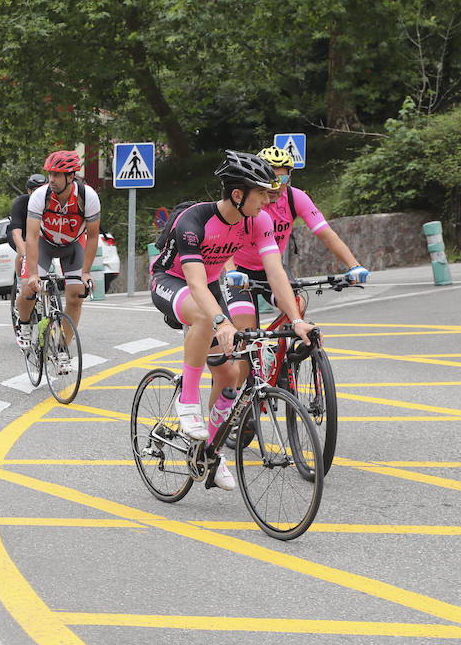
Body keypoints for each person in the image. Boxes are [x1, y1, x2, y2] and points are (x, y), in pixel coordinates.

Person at [149, 150, 315, 490]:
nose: (269, 200)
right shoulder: (194, 221)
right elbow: (195, 284)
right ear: (238, 195)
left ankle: (209, 453)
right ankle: (188, 401)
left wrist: (297, 319)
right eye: (262, 193)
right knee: (205, 317)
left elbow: (276, 273)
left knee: (228, 378)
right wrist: (222, 322)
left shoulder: (259, 221)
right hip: (171, 280)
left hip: (209, 285)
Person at [225, 145, 369, 351]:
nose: (275, 185)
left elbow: (326, 235)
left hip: (273, 268)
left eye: (282, 179)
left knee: (297, 304)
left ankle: (279, 354)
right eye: (270, 178)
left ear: (289, 179)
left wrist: (354, 265)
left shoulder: (295, 198)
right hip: (240, 271)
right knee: (245, 334)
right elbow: (225, 240)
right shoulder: (249, 202)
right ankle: (249, 361)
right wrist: (231, 272)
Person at [15, 151, 100, 351]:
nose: (51, 179)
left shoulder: (88, 197)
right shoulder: (39, 196)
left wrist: (86, 273)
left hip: (73, 245)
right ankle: (24, 323)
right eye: (50, 174)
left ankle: (62, 350)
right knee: (28, 287)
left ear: (71, 176)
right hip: (44, 243)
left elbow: (93, 236)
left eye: (57, 175)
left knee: (76, 296)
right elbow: (32, 236)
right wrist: (33, 274)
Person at [8, 172, 47, 334]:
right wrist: (25, 255)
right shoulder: (21, 203)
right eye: (36, 190)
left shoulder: (50, 202)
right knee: (23, 248)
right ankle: (20, 282)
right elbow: (16, 234)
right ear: (29, 191)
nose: (40, 194)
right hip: (21, 234)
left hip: (38, 234)